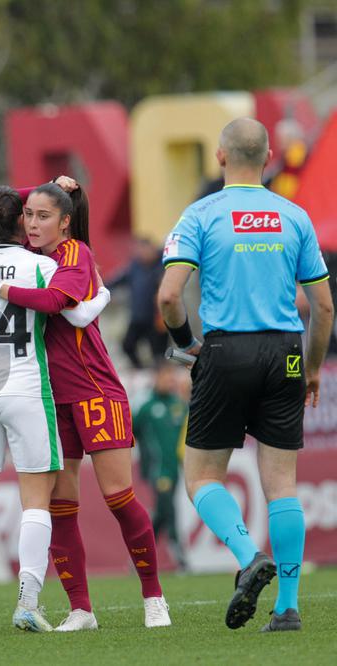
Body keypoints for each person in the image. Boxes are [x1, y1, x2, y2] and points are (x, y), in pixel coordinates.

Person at [158, 117, 334, 632]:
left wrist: (184, 345)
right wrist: (313, 368)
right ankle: (288, 607)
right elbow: (323, 308)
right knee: (282, 485)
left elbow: (169, 296)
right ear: (269, 157)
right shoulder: (294, 216)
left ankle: (247, 555)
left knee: (201, 477)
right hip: (286, 353)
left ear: (220, 157)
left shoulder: (200, 214)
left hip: (226, 350)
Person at [0, 183, 170, 631]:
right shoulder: (26, 256)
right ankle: (81, 609)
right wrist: (50, 187)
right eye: (28, 214)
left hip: (95, 390)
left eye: (44, 216)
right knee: (60, 506)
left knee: (119, 497)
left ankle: (154, 597)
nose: (32, 223)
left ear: (65, 222)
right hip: (46, 398)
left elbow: (57, 302)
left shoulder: (74, 253)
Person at [0, 185, 110, 636]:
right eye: (28, 216)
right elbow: (68, 310)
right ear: (20, 222)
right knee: (37, 499)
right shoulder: (43, 265)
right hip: (25, 387)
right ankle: (28, 602)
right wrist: (102, 292)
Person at [133, 362, 188, 571]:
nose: (169, 380)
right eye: (165, 376)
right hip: (158, 469)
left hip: (175, 469)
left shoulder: (179, 405)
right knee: (168, 508)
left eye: (171, 376)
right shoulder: (147, 407)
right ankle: (178, 553)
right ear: (156, 378)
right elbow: (131, 432)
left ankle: (140, 554)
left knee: (161, 513)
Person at [110, 238, 166, 368]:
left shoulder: (163, 265)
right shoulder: (135, 266)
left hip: (156, 319)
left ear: (152, 248)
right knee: (127, 345)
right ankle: (140, 369)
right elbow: (119, 279)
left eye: (144, 250)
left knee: (158, 353)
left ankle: (160, 375)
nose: (142, 254)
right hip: (138, 317)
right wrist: (102, 289)